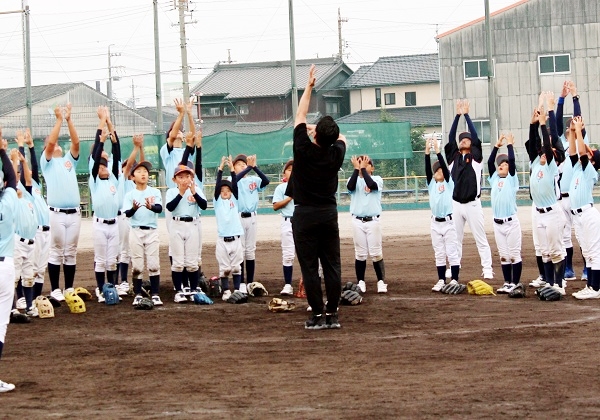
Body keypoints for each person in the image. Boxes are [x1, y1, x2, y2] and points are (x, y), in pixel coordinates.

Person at [287, 64, 346, 330]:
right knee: (332, 266)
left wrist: (309, 86)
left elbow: (300, 112)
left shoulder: (302, 148)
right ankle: (332, 315)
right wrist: (321, 133)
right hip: (327, 213)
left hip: (304, 214)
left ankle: (317, 316)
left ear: (314, 135)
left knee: (309, 267)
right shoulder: (336, 154)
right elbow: (340, 136)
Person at [444, 99, 493, 280]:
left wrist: (467, 115)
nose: (465, 141)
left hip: (473, 204)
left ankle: (487, 268)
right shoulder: (453, 157)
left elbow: (476, 136)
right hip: (456, 204)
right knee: (455, 239)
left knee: (480, 238)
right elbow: (450, 138)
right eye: (462, 139)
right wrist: (457, 116)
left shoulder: (476, 157)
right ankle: (453, 266)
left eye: (467, 140)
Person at [40, 104, 81, 302]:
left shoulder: (67, 161)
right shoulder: (46, 162)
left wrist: (68, 120)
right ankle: (55, 289)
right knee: (56, 250)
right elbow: (50, 144)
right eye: (54, 143)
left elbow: (76, 143)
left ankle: (69, 288)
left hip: (74, 212)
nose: (57, 145)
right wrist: (58, 120)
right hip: (55, 213)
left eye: (57, 144)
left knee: (71, 251)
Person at [528, 105, 566, 295]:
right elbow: (534, 144)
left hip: (552, 213)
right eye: (541, 152)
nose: (543, 153)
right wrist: (533, 124)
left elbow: (547, 149)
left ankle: (559, 284)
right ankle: (549, 282)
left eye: (546, 152)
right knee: (544, 251)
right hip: (539, 213)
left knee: (556, 250)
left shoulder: (551, 165)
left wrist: (544, 124)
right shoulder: (535, 163)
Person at [165, 132, 207, 303]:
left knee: (192, 261)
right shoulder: (172, 191)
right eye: (180, 177)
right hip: (177, 225)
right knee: (178, 261)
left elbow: (203, 206)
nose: (184, 179)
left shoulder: (196, 190)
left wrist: (193, 192)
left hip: (192, 225)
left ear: (192, 177)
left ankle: (193, 287)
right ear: (175, 179)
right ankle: (179, 290)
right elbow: (170, 207)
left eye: (187, 176)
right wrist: (182, 192)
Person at [89, 107, 121, 302]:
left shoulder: (114, 179)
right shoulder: (94, 180)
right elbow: (96, 156)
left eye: (104, 164)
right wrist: (101, 138)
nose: (102, 167)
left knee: (112, 260)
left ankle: (112, 287)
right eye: (100, 165)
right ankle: (101, 289)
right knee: (101, 260)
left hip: (114, 223)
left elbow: (117, 152)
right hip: (99, 224)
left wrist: (109, 123)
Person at [123, 160, 163, 307]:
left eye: (145, 171)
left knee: (154, 264)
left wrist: (151, 206)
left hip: (151, 231)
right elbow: (127, 213)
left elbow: (159, 208)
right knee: (137, 265)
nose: (143, 174)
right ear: (132, 177)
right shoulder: (130, 194)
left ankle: (155, 294)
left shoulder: (155, 192)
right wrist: (134, 209)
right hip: (136, 231)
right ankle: (138, 294)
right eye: (139, 171)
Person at [568, 116, 600, 299]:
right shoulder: (579, 168)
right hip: (578, 216)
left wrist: (579, 131)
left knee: (594, 252)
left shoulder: (590, 170)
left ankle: (595, 288)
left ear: (593, 161)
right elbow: (574, 152)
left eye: (590, 153)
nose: (586, 152)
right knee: (587, 252)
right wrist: (573, 132)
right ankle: (591, 286)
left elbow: (580, 152)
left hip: (588, 215)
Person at [347, 155, 387, 293]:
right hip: (357, 220)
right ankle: (361, 282)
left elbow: (371, 185)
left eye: (367, 163)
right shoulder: (353, 179)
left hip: (373, 221)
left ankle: (381, 282)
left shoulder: (377, 179)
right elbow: (350, 186)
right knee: (360, 254)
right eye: (360, 162)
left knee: (376, 253)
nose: (363, 165)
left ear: (372, 167)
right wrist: (356, 169)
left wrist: (362, 169)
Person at [487, 133, 522, 294]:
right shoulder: (494, 178)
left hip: (511, 223)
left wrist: (509, 145)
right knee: (503, 255)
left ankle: (515, 283)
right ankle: (507, 282)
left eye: (505, 164)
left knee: (514, 254)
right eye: (500, 163)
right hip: (497, 223)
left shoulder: (512, 179)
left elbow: (513, 163)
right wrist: (496, 146)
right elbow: (489, 162)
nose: (502, 165)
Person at [425, 137, 460, 292]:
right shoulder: (432, 184)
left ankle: (454, 279)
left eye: (440, 170)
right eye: (436, 171)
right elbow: (427, 169)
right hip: (435, 223)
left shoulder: (448, 183)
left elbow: (445, 170)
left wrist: (438, 152)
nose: (439, 172)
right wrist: (427, 153)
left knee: (452, 252)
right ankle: (441, 280)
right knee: (439, 253)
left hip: (449, 222)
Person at [231, 153, 270, 292]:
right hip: (238, 217)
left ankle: (250, 282)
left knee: (250, 251)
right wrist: (248, 168)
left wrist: (255, 168)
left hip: (252, 217)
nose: (242, 166)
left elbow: (266, 181)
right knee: (240, 250)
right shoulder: (232, 178)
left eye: (244, 163)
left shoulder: (253, 179)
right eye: (239, 164)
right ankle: (240, 282)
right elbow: (235, 179)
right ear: (233, 167)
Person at [19, 129, 50, 301]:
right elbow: (25, 173)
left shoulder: (36, 185)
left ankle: (37, 298)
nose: (29, 171)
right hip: (36, 231)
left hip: (47, 231)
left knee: (41, 268)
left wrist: (31, 147)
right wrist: (22, 147)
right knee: (30, 268)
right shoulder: (24, 188)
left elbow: (35, 168)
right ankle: (24, 298)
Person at [0, 136, 19, 392]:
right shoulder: (8, 200)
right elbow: (12, 180)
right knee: (0, 323)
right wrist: (2, 150)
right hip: (3, 268)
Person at [10, 146, 37, 317]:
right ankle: (12, 308)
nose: (18, 176)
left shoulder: (27, 194)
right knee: (13, 277)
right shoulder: (9, 196)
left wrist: (24, 161)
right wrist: (14, 161)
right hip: (16, 242)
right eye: (16, 174)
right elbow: (12, 180)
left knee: (29, 277)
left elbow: (28, 178)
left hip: (31, 241)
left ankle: (29, 306)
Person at [116, 133, 144, 294]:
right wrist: (136, 147)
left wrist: (140, 148)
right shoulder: (123, 178)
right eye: (130, 167)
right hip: (125, 218)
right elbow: (131, 165)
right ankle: (124, 282)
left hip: (138, 219)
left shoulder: (138, 184)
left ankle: (136, 280)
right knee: (125, 250)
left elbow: (141, 164)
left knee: (137, 251)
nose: (133, 168)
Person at [213, 156, 243, 301]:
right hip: (222, 239)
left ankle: (237, 289)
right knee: (224, 268)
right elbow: (217, 185)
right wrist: (220, 169)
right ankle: (226, 290)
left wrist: (232, 169)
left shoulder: (234, 200)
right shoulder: (217, 202)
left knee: (236, 267)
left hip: (236, 238)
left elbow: (235, 185)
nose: (225, 192)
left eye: (227, 190)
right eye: (222, 190)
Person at [272, 160, 295, 295]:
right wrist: (289, 198)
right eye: (289, 169)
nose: (292, 171)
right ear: (284, 173)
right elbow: (275, 206)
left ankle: (308, 283)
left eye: (294, 169)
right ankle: (288, 285)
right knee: (288, 255)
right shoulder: (281, 188)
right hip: (288, 222)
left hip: (303, 222)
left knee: (307, 256)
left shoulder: (304, 185)